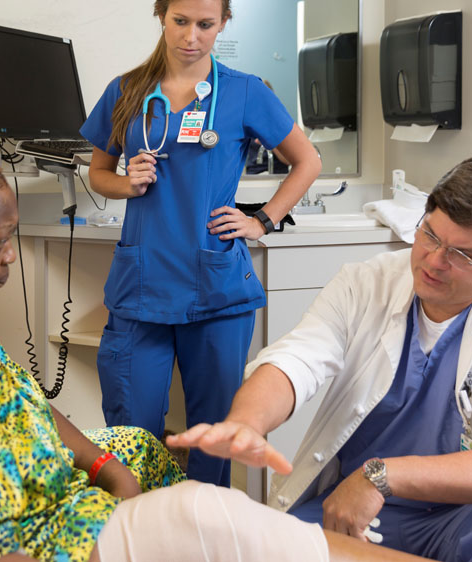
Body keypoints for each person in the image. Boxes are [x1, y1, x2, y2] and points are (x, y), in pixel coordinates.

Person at [0, 146, 451, 562]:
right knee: (208, 523)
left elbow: (20, 400)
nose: (6, 265)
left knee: (139, 448)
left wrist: (110, 470)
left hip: (7, 494)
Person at [169, 156, 472, 561]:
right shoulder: (365, 282)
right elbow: (298, 358)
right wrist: (247, 422)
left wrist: (382, 476)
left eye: (462, 255)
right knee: (272, 551)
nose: (433, 261)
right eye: (430, 234)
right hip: (352, 508)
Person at [79, 0, 321, 487]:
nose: (192, 36)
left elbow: (307, 161)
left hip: (214, 288)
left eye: (206, 25)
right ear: (162, 18)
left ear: (224, 24)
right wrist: (127, 184)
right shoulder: (126, 91)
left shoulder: (245, 92)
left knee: (214, 437)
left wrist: (263, 221)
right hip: (142, 286)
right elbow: (98, 173)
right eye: (181, 22)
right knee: (130, 435)